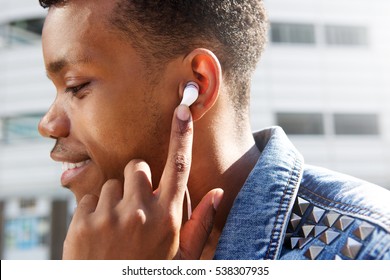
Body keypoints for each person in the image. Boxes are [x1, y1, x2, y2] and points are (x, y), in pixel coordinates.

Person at [37, 0, 390, 260]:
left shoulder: (366, 250)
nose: (47, 124)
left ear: (196, 85)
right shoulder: (94, 250)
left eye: (75, 85)